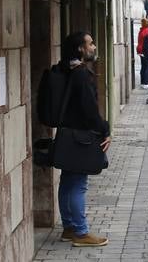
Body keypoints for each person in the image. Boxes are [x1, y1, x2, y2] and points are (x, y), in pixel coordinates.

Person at [38, 31, 111, 247]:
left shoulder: (65, 68)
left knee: (67, 181)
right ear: (80, 48)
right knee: (78, 184)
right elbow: (89, 110)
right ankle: (81, 232)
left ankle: (69, 228)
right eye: (90, 43)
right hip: (81, 137)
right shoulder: (81, 74)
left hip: (66, 134)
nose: (94, 47)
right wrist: (105, 129)